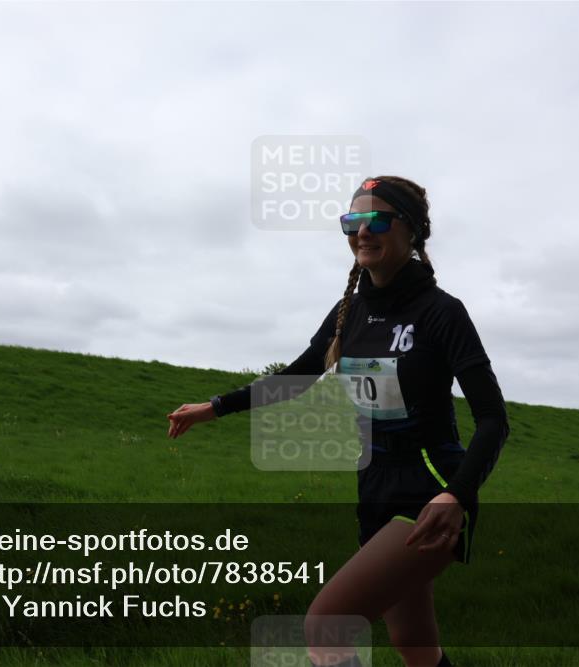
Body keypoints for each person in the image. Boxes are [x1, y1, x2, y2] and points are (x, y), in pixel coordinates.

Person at [166, 175, 510, 667]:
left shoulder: (442, 313)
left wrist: (457, 495)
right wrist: (214, 407)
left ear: (410, 230)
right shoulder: (349, 310)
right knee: (414, 643)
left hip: (430, 490)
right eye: (351, 222)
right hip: (374, 487)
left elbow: (494, 420)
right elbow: (300, 375)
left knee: (326, 627)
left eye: (375, 220)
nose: (360, 233)